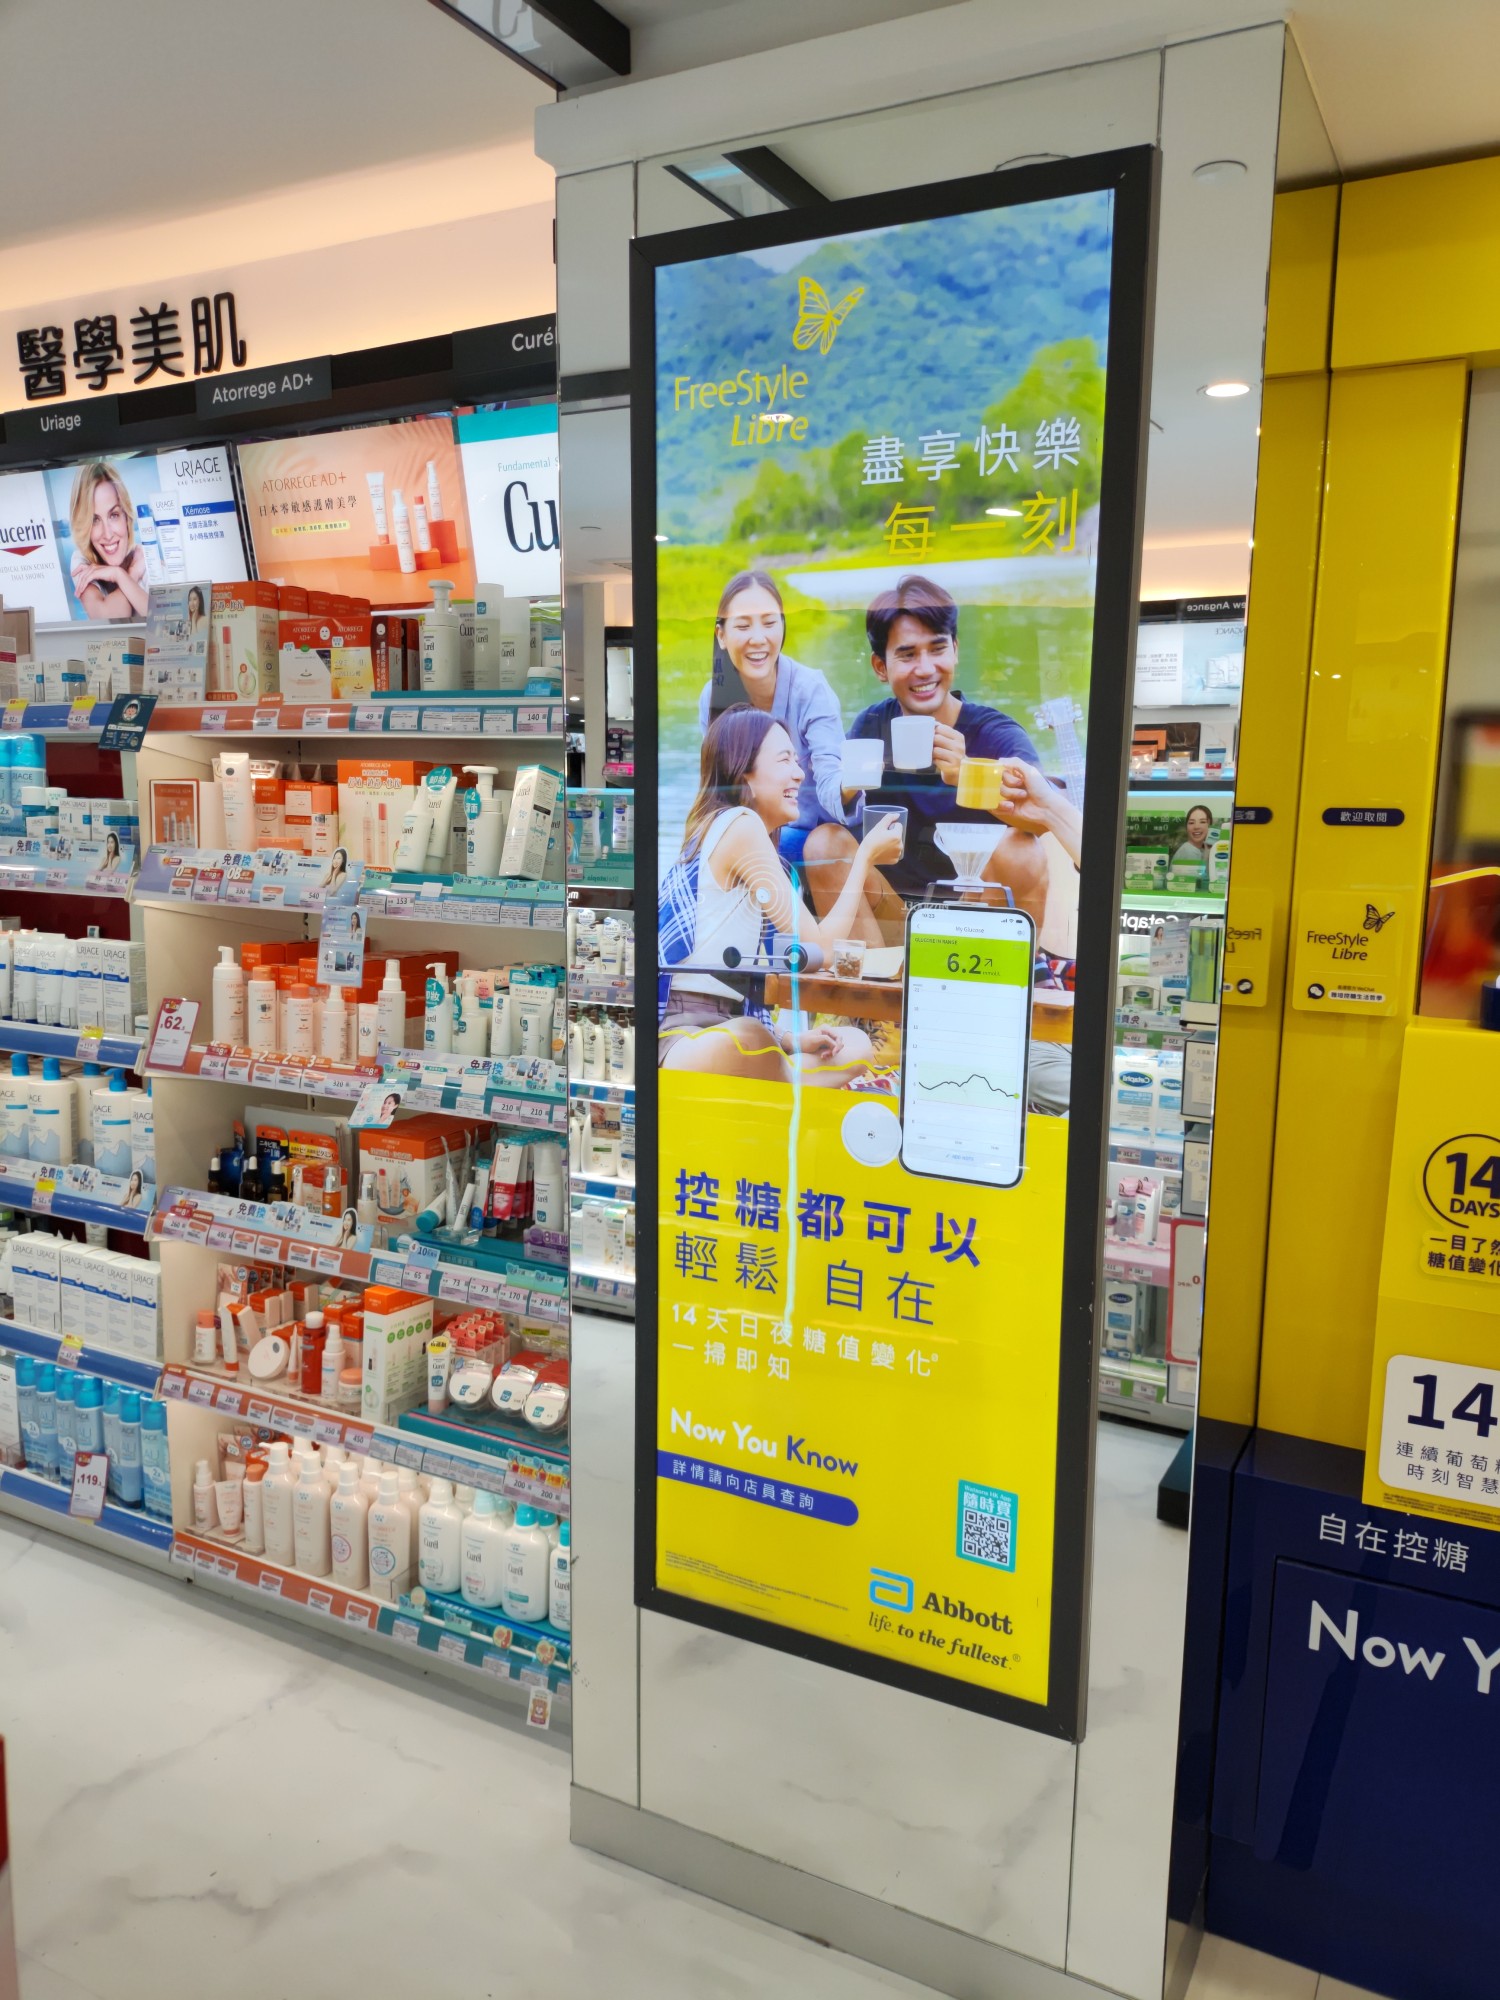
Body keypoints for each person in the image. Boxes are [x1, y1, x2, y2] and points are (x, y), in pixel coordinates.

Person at [659, 704, 901, 1082]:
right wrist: (864, 857)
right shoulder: (739, 824)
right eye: (785, 760)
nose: (799, 773)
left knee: (854, 1044)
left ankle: (783, 1076)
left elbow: (807, 954)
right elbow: (820, 948)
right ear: (745, 772)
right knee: (748, 1038)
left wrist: (790, 1040)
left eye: (797, 761)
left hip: (733, 1029)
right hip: (687, 1037)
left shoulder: (737, 839)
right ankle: (787, 1078)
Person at [803, 574, 1050, 943]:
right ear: (880, 667)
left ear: (955, 651)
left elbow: (1043, 819)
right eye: (907, 654)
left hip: (974, 914)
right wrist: (849, 786)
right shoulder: (872, 725)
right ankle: (871, 974)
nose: (924, 668)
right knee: (825, 843)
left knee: (1022, 850)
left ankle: (1002, 971)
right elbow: (835, 813)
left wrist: (967, 774)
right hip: (895, 912)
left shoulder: (993, 732)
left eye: (937, 649)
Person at [697, 571, 852, 864]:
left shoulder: (810, 690)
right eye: (743, 626)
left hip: (809, 838)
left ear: (782, 626)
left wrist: (852, 782)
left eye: (769, 623)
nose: (759, 639)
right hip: (746, 835)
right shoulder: (712, 697)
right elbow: (714, 792)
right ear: (721, 635)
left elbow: (831, 779)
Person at [68, 462, 149, 622]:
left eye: (114, 515)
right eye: (94, 520)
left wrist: (120, 575)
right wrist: (127, 575)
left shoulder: (143, 557)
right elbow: (111, 620)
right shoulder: (82, 562)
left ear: (126, 516)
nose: (108, 534)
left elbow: (166, 622)